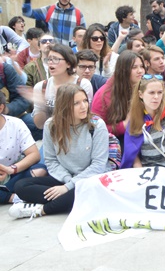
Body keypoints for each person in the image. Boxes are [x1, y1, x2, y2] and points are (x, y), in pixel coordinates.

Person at [8, 84, 108, 219]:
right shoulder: (51, 125)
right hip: (63, 178)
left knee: (88, 191)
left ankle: (41, 210)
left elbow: (98, 165)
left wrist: (68, 187)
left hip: (88, 180)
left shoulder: (97, 125)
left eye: (85, 101)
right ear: (64, 106)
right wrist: (67, 183)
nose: (84, 106)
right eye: (76, 103)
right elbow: (51, 160)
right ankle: (68, 201)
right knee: (21, 186)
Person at [121, 72, 165, 169]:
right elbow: (132, 151)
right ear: (141, 94)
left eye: (159, 92)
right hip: (149, 174)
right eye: (151, 93)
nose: (156, 97)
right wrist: (139, 170)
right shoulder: (136, 119)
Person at [29, 44, 94, 130]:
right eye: (49, 59)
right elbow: (40, 125)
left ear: (68, 63)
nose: (51, 62)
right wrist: (41, 104)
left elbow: (84, 117)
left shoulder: (82, 84)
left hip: (77, 132)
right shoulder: (41, 87)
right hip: (51, 135)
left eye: (56, 59)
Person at [0, 92, 42, 206]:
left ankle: (8, 193)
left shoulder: (15, 124)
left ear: (1, 108)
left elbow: (34, 154)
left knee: (40, 170)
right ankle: (11, 196)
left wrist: (11, 169)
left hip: (16, 171)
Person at [91, 50, 146, 138]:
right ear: (123, 70)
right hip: (115, 142)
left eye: (142, 66)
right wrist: (123, 125)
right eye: (134, 67)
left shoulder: (145, 88)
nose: (140, 71)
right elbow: (95, 128)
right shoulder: (104, 94)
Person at [22, 0, 86, 46]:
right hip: (53, 50)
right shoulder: (48, 10)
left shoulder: (78, 14)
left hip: (70, 52)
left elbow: (84, 35)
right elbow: (27, 13)